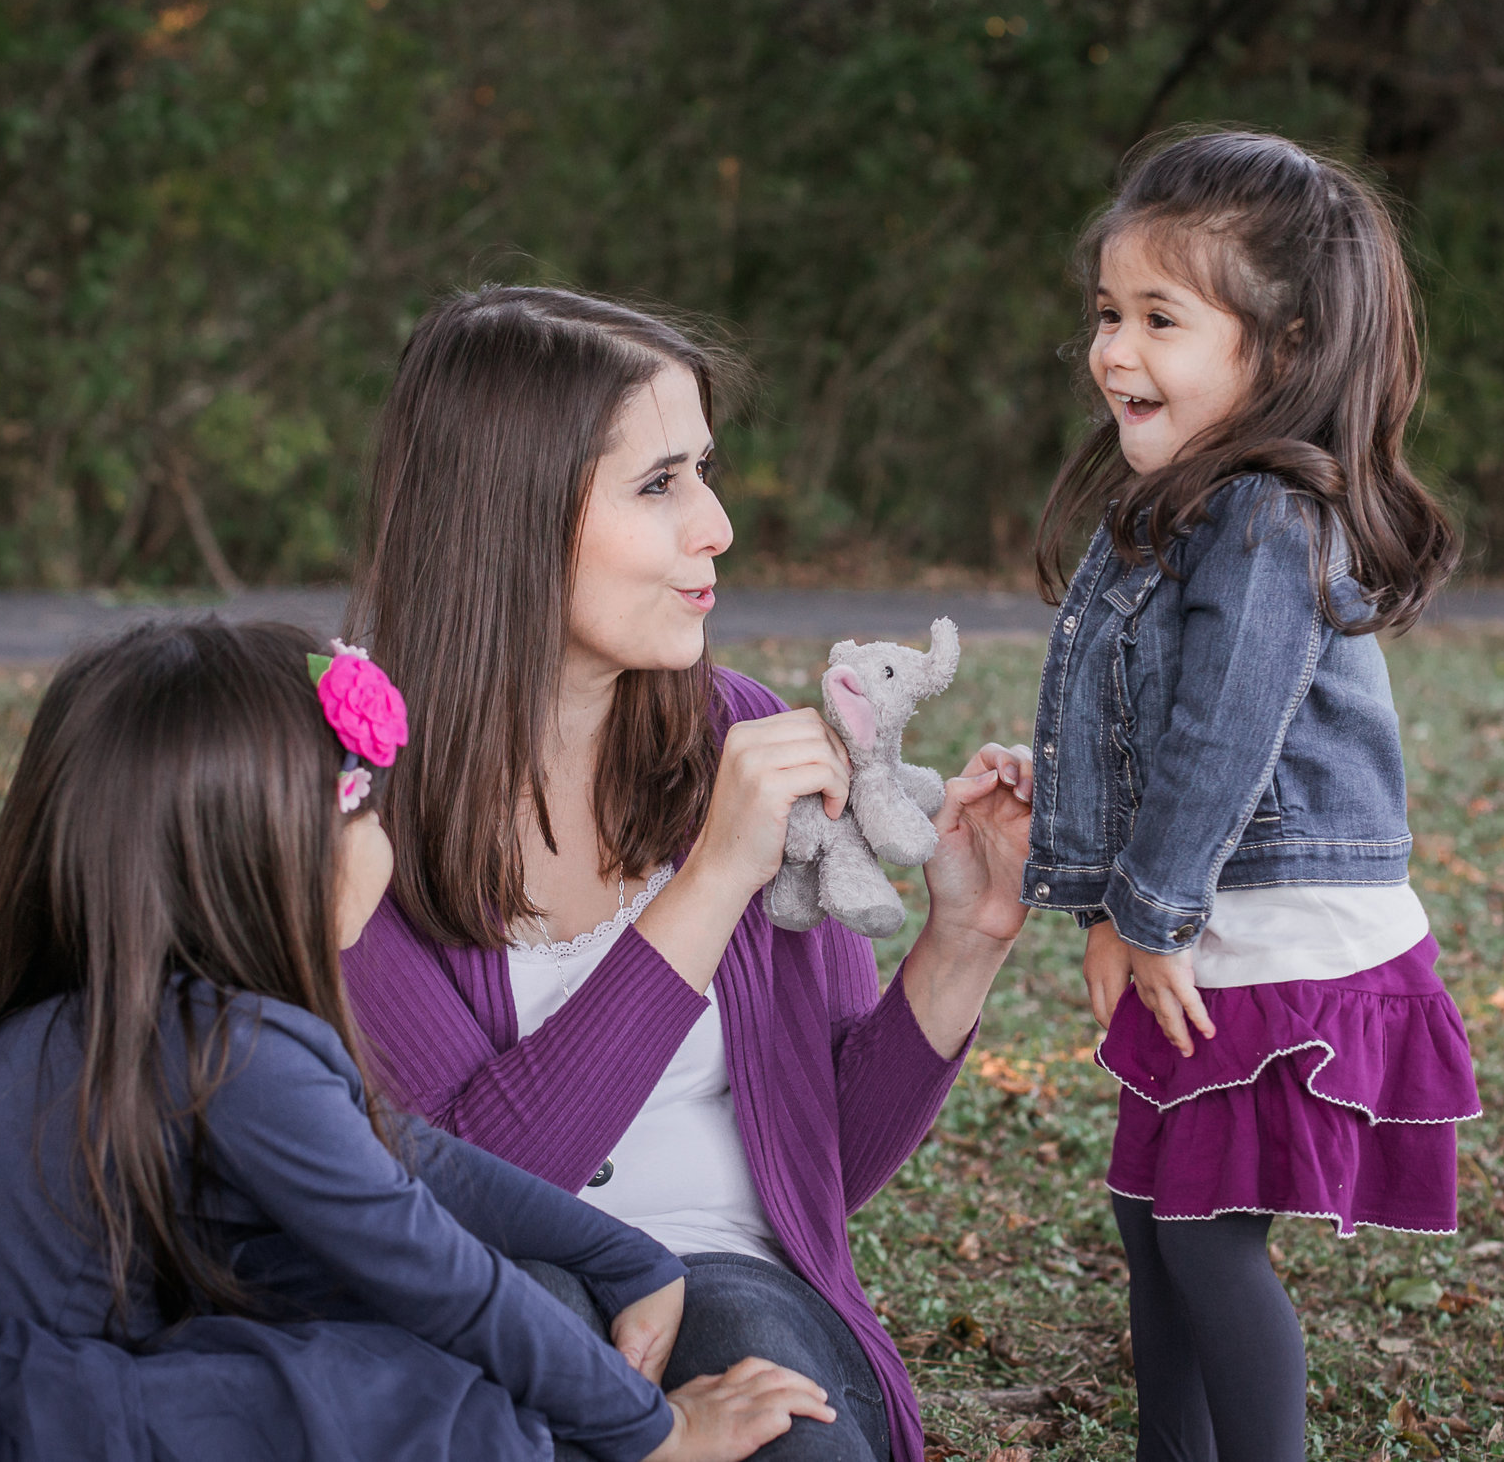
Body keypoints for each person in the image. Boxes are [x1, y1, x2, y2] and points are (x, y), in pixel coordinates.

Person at [0, 618, 834, 1462]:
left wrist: (620, 1253)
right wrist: (653, 1427)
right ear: (270, 852)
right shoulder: (235, 1047)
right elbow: (433, 1264)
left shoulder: (156, 1019)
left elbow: (409, 1153)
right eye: (365, 813)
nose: (387, 840)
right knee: (427, 1398)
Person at [341, 287, 1038, 1462]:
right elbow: (463, 1192)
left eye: (704, 470)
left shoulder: (740, 734)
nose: (715, 522)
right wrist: (708, 878)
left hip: (729, 1282)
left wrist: (962, 938)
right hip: (484, 1297)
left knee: (776, 1399)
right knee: (529, 1355)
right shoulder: (350, 803)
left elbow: (820, 1161)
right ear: (507, 513)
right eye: (660, 483)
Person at [1022, 130, 1484, 1462]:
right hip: (1211, 925)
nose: (1114, 350)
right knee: (1147, 1215)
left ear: (1275, 351)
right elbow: (1152, 723)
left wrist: (1146, 909)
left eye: (1160, 317)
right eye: (1108, 313)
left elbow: (1226, 735)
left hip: (1273, 939)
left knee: (1204, 1239)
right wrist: (1058, 798)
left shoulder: (1269, 518)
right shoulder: (1185, 506)